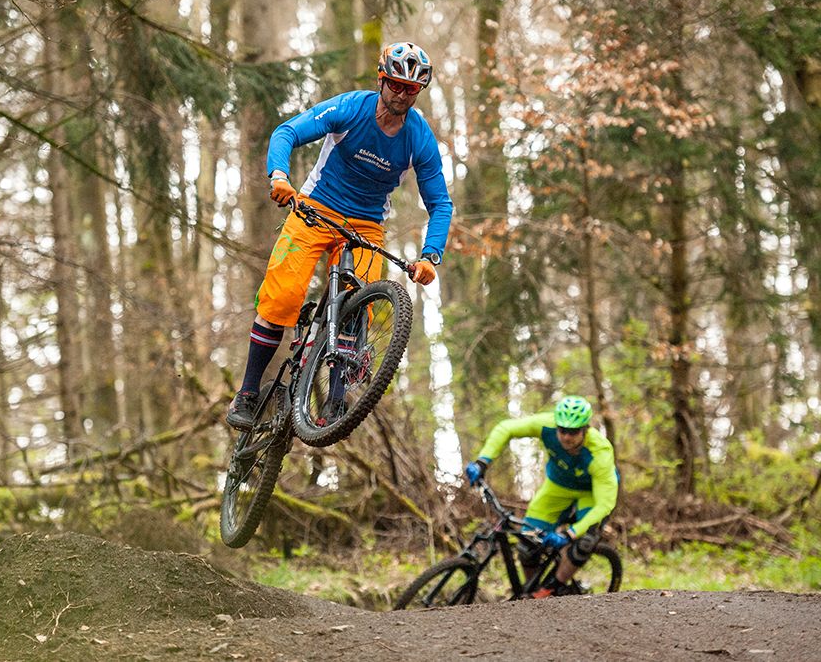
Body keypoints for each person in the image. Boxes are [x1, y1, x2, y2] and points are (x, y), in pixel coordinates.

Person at [226, 41, 454, 431]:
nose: (402, 94)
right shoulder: (351, 107)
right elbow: (286, 132)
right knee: (283, 295)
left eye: (411, 89)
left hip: (365, 226)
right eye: (396, 84)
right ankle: (247, 393)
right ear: (381, 79)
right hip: (315, 209)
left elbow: (440, 203)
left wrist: (430, 256)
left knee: (355, 307)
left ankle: (334, 402)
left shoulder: (419, 137)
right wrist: (279, 176)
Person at [465, 396, 619, 599]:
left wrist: (569, 535)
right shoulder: (546, 425)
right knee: (527, 540)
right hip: (558, 487)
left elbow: (605, 504)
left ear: (585, 429)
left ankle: (554, 587)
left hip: (591, 494)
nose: (566, 437)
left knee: (584, 540)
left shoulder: (600, 452)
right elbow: (506, 428)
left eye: (573, 432)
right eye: (562, 430)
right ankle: (532, 591)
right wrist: (482, 462)